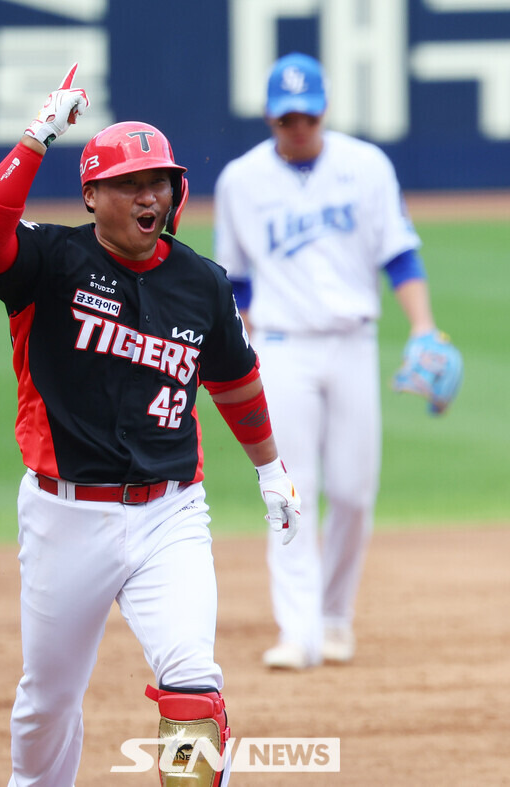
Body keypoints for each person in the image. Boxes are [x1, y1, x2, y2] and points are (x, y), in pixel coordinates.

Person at [0, 64, 301, 787]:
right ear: (92, 195)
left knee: (192, 684)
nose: (150, 196)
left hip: (169, 511)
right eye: (130, 184)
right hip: (64, 513)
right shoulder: (51, 261)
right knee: (46, 703)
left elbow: (235, 382)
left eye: (161, 182)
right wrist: (35, 138)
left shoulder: (201, 282)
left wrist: (270, 469)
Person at [214, 52, 462, 670]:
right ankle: (297, 631)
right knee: (291, 490)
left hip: (352, 344)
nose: (296, 127)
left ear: (324, 110)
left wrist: (424, 326)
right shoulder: (240, 181)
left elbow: (400, 255)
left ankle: (334, 616)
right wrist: (242, 350)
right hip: (280, 347)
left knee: (353, 493)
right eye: (285, 118)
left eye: (306, 115)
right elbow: (236, 283)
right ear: (271, 119)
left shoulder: (366, 166)